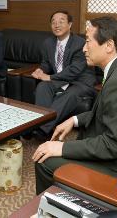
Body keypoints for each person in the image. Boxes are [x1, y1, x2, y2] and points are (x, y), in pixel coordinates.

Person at [33, 16, 117, 194]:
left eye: (88, 42)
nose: (83, 48)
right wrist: (73, 120)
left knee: (45, 161)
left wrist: (62, 147)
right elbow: (111, 111)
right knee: (79, 138)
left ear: (109, 46)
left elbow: (114, 145)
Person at [30, 10, 96, 138]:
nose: (57, 25)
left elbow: (74, 71)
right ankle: (39, 125)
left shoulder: (80, 44)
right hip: (60, 80)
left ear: (70, 24)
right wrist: (41, 70)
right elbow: (47, 63)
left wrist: (49, 77)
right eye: (53, 22)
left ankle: (41, 128)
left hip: (80, 81)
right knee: (42, 87)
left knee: (69, 95)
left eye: (61, 21)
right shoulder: (48, 43)